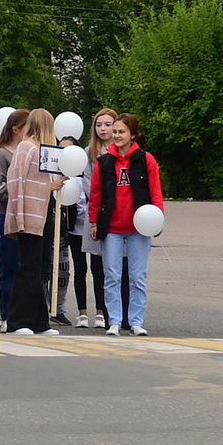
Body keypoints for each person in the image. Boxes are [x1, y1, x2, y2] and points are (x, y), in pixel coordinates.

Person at [86, 112, 163, 335]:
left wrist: (157, 219)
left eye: (121, 132)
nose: (116, 135)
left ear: (133, 134)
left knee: (138, 276)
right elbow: (96, 193)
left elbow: (155, 192)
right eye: (115, 131)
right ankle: (115, 321)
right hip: (112, 228)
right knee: (112, 275)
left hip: (139, 227)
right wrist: (94, 221)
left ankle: (136, 321)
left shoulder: (145, 159)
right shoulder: (104, 162)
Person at [0, 109, 56, 335]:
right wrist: (18, 216)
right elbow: (17, 181)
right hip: (30, 216)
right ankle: (17, 321)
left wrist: (52, 185)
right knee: (28, 268)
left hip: (42, 214)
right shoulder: (26, 147)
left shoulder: (41, 150)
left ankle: (39, 322)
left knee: (37, 268)